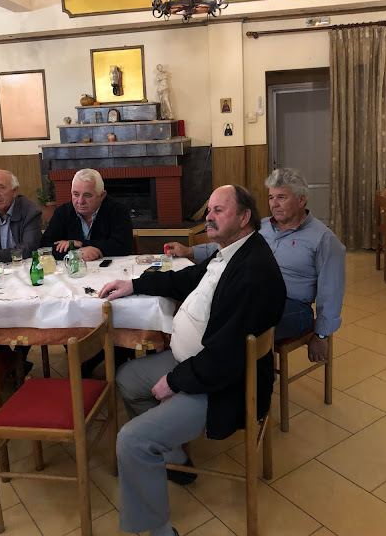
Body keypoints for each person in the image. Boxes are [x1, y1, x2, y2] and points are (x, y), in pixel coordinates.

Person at [98, 184, 286, 536]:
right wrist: (135, 285)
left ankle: (158, 530)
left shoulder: (252, 271)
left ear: (244, 217)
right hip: (198, 365)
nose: (209, 217)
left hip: (225, 386)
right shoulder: (230, 252)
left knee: (131, 440)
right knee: (127, 378)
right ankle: (173, 454)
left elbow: (225, 356)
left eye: (219, 210)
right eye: (209, 210)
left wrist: (174, 382)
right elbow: (188, 278)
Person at [166, 168, 346, 363]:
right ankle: (201, 361)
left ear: (301, 200)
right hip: (252, 292)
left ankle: (230, 373)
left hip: (293, 306)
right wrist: (188, 251)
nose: (274, 204)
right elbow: (228, 244)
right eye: (271, 197)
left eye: (281, 197)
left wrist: (321, 335)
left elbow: (332, 291)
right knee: (204, 306)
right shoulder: (264, 226)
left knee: (233, 325)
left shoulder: (323, 239)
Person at [40, 168, 133, 261]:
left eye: (87, 195)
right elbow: (44, 247)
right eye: (76, 194)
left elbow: (122, 247)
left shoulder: (118, 210)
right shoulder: (63, 212)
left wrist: (80, 244)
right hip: (74, 268)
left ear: (102, 196)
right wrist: (77, 253)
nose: (80, 201)